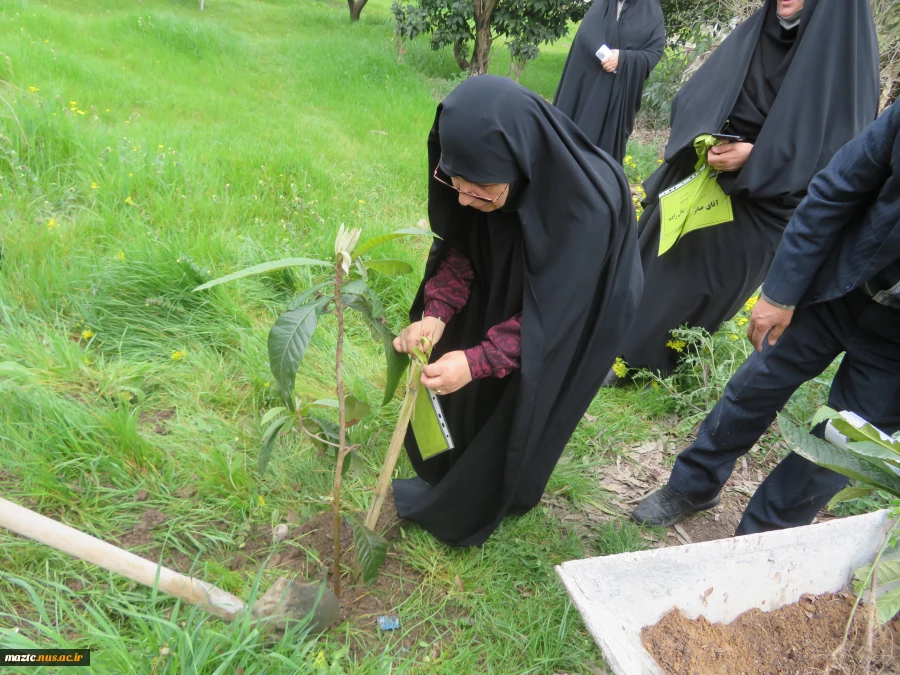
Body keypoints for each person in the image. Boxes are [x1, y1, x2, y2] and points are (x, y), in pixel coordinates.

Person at [391, 75, 643, 547]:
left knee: (529, 401)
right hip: (506, 279)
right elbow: (462, 250)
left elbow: (556, 317)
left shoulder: (587, 207)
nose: (463, 199)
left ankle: (508, 488)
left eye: (480, 191)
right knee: (463, 364)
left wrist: (477, 361)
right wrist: (436, 314)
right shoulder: (475, 175)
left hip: (577, 304)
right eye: (454, 184)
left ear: (522, 163)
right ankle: (458, 460)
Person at [632, 101, 900, 534]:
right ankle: (693, 484)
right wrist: (781, 293)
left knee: (841, 447)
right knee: (756, 385)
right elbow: (835, 189)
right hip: (842, 286)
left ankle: (756, 542)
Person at [609, 0, 880, 381]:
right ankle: (606, 345)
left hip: (766, 206)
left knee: (693, 288)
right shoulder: (758, 32)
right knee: (650, 266)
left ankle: (640, 367)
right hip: (701, 179)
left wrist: (758, 157)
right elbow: (695, 97)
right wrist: (707, 137)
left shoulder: (847, 62)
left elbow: (839, 156)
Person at [553, 0, 665, 164]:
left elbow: (654, 51)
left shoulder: (652, 12)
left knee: (604, 158)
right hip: (588, 87)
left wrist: (623, 58)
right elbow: (586, 35)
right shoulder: (602, 5)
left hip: (618, 94)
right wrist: (605, 56)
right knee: (571, 146)